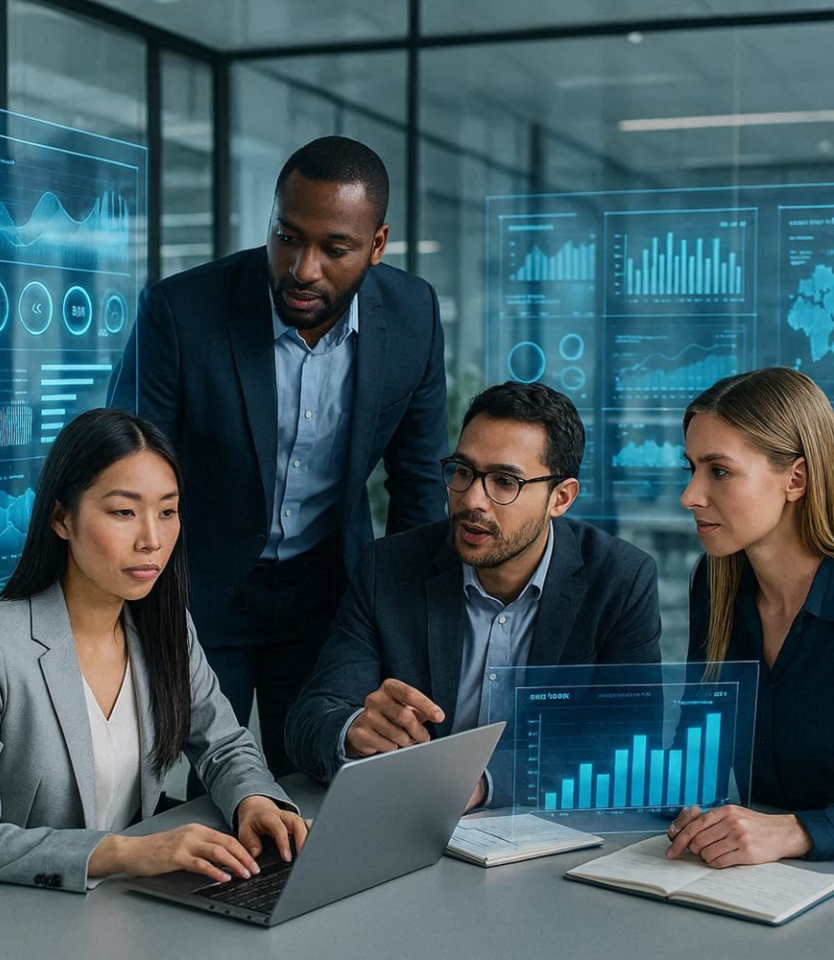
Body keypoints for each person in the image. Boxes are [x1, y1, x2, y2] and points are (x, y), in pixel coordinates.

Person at [107, 136, 448, 786]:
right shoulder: (181, 313)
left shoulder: (413, 317)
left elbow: (418, 490)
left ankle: (297, 891)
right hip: (197, 590)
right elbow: (127, 473)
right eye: (286, 236)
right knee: (186, 788)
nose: (303, 268)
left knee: (322, 780)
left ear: (376, 245)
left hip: (328, 594)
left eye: (334, 248)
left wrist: (400, 637)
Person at [0, 409, 307, 901]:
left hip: (113, 911)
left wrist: (254, 800)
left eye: (167, 511)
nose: (152, 540)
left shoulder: (164, 627)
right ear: (62, 518)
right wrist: (123, 853)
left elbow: (224, 745)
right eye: (124, 512)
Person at [285, 381, 662, 804]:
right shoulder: (388, 568)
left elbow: (630, 740)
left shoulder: (619, 579)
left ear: (560, 498)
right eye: (463, 471)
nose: (471, 500)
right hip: (409, 823)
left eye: (504, 482)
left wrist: (483, 782)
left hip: (548, 830)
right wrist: (353, 730)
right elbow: (310, 719)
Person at [669, 367, 834, 865]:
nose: (690, 496)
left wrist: (799, 832)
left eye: (718, 471)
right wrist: (688, 807)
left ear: (795, 479)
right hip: (757, 885)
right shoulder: (715, 583)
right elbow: (697, 754)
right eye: (691, 469)